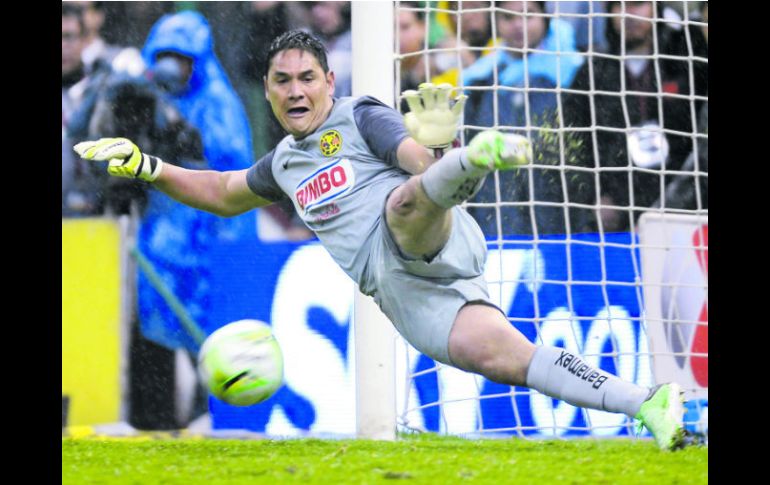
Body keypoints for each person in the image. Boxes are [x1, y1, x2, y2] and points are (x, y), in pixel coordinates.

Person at [75, 30, 695, 451]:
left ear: (328, 82)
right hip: (408, 296)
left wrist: (435, 151)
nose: (295, 91)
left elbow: (410, 160)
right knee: (506, 359)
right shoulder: (285, 164)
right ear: (268, 90)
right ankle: (650, 404)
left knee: (404, 201)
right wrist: (147, 166)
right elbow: (221, 190)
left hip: (429, 231)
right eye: (282, 81)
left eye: (307, 78)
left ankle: (472, 157)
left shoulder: (361, 114)